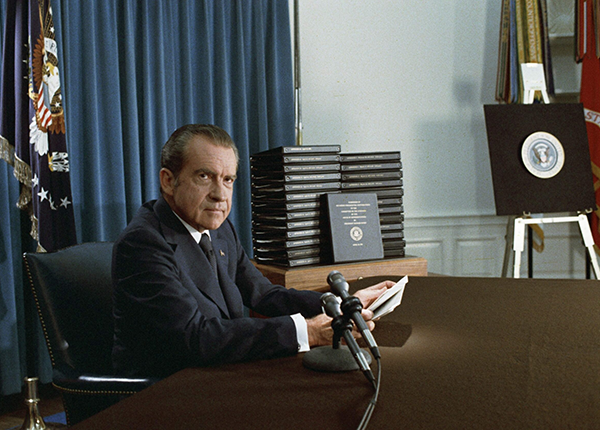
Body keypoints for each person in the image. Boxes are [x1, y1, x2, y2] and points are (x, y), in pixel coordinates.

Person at [112, 124, 393, 378]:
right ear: (168, 181)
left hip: (221, 371)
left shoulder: (219, 227)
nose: (220, 194)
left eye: (228, 180)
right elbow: (194, 337)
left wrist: (339, 304)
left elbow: (264, 294)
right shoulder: (142, 244)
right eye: (204, 176)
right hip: (165, 391)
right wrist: (307, 332)